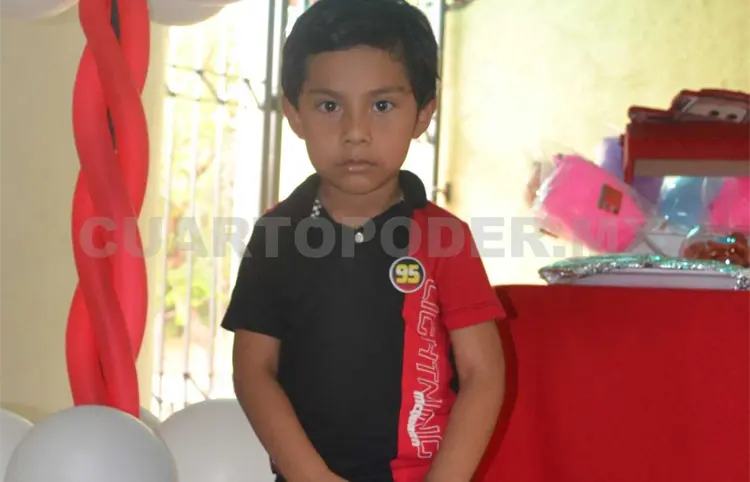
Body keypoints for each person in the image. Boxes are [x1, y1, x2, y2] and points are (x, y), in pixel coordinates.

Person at [221, 0, 506, 480]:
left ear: (423, 114)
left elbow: (484, 375)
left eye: (382, 105)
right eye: (329, 106)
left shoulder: (444, 238)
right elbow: (253, 371)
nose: (356, 132)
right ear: (294, 114)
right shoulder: (276, 236)